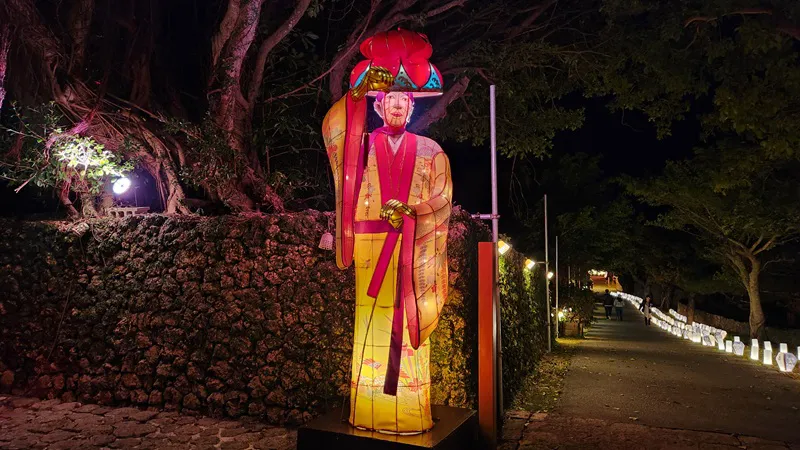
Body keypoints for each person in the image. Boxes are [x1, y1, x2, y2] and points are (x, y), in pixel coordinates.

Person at [323, 29, 451, 434]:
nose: (396, 104)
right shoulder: (358, 146)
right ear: (379, 106)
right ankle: (368, 409)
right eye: (389, 98)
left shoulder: (432, 151)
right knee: (369, 322)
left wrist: (413, 214)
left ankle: (408, 411)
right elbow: (336, 129)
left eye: (403, 99)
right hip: (369, 243)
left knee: (404, 317)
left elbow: (444, 199)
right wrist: (357, 95)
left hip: (413, 244)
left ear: (411, 108)